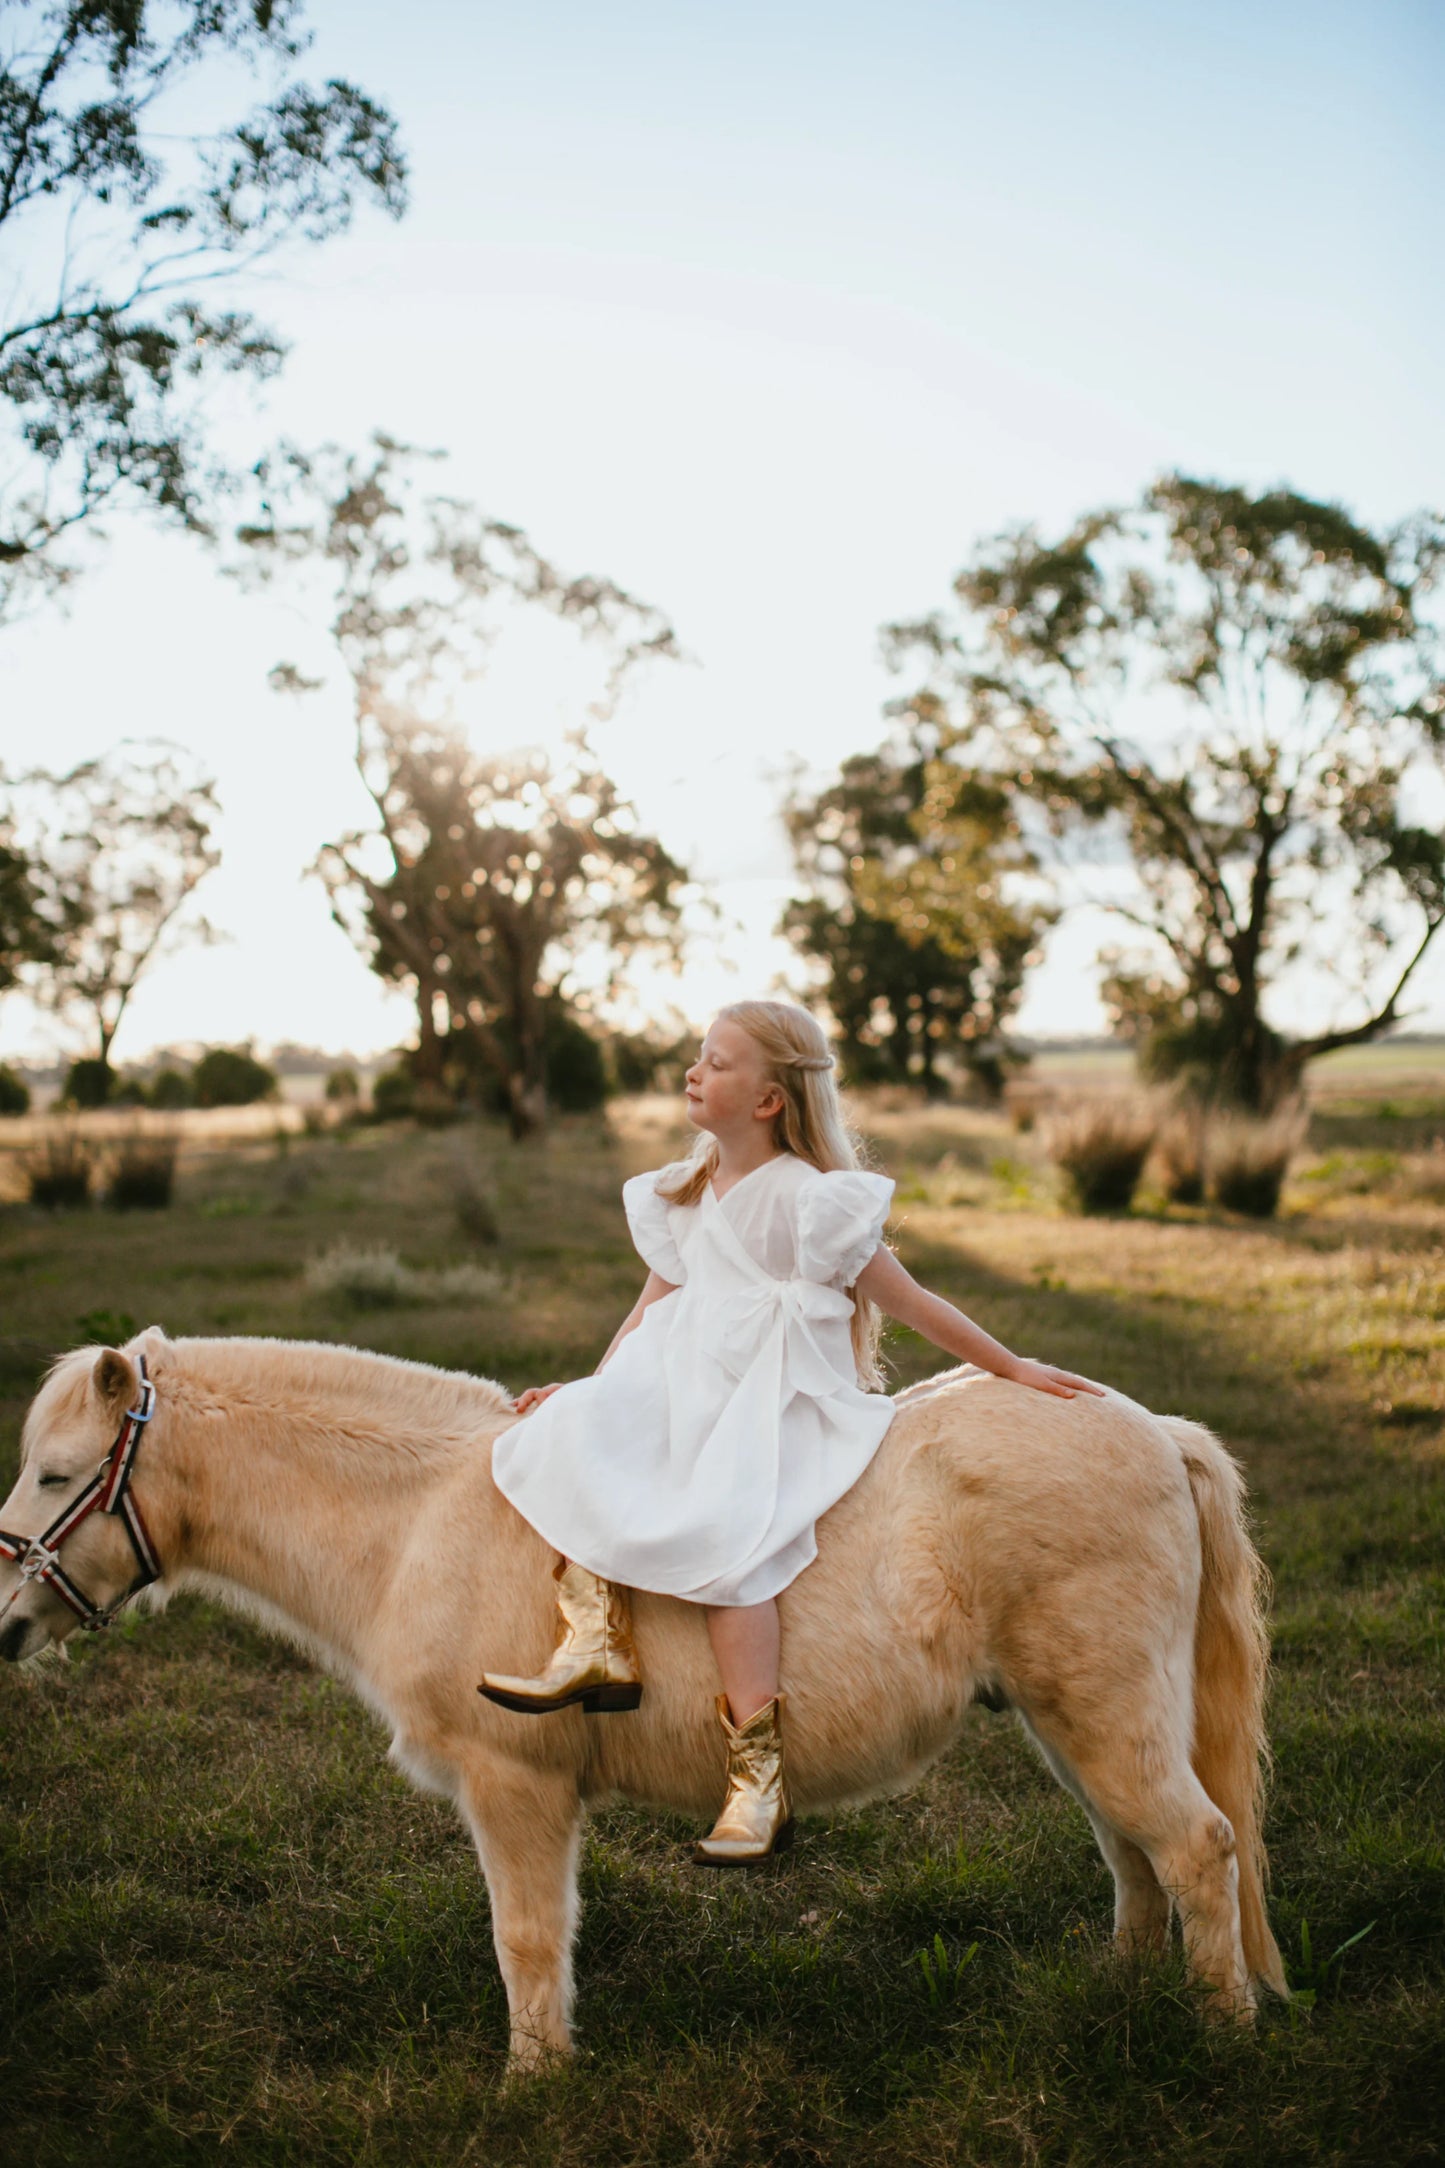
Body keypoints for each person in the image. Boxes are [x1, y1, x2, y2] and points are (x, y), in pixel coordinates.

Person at [481, 1000, 1102, 1866]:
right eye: (698, 1057)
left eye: (718, 1062)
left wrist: (1015, 1368)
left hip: (771, 1399)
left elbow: (910, 1301)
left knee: (738, 1554)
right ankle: (596, 1644)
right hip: (682, 1380)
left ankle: (755, 1780)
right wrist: (591, 1386)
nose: (695, 1072)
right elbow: (649, 1307)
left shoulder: (812, 1201)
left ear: (770, 1100)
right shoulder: (689, 1187)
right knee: (576, 1439)